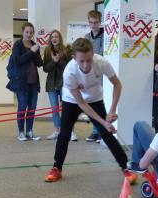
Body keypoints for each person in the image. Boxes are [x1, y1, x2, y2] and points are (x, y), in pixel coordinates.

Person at [44, 38, 135, 183]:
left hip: (95, 98)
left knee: (106, 133)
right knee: (64, 134)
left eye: (89, 60)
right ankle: (57, 168)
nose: (86, 65)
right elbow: (81, 102)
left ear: (93, 54)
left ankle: (126, 167)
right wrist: (103, 121)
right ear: (74, 58)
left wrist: (112, 110)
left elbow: (117, 84)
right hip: (72, 100)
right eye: (81, 61)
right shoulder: (69, 72)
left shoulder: (101, 62)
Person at [6, 22, 43, 141]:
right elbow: (18, 61)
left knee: (32, 108)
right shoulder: (18, 45)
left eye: (31, 32)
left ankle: (30, 131)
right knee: (22, 107)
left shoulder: (34, 45)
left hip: (34, 82)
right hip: (22, 82)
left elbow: (39, 63)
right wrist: (31, 52)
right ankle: (21, 132)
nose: (29, 34)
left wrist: (36, 51)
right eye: (27, 32)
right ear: (22, 32)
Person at [42, 29, 77, 141]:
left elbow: (69, 67)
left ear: (60, 38)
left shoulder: (67, 50)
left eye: (56, 37)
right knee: (54, 109)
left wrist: (59, 60)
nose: (54, 39)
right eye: (52, 37)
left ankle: (70, 131)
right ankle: (57, 130)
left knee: (67, 108)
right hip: (51, 84)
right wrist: (53, 61)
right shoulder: (47, 51)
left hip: (64, 84)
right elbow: (45, 68)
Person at [84, 10, 104, 143]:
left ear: (100, 22)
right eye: (91, 22)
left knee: (101, 104)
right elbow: (84, 53)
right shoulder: (86, 37)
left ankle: (101, 132)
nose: (93, 25)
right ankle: (95, 131)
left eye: (96, 22)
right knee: (91, 104)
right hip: (90, 73)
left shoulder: (105, 36)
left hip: (101, 72)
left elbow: (102, 54)